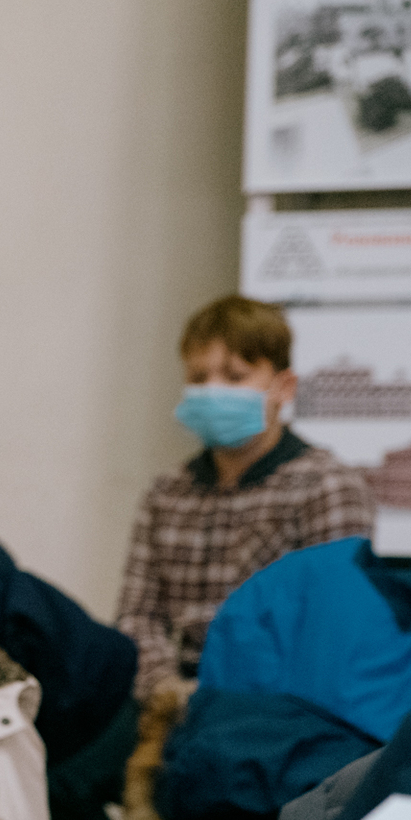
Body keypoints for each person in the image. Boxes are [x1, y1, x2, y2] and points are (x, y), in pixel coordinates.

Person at [115, 295, 374, 702]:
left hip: (278, 700)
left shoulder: (327, 486)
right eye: (199, 378)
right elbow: (137, 616)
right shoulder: (166, 492)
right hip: (171, 697)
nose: (213, 391)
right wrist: (166, 690)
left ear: (284, 387)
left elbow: (335, 627)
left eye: (235, 377)